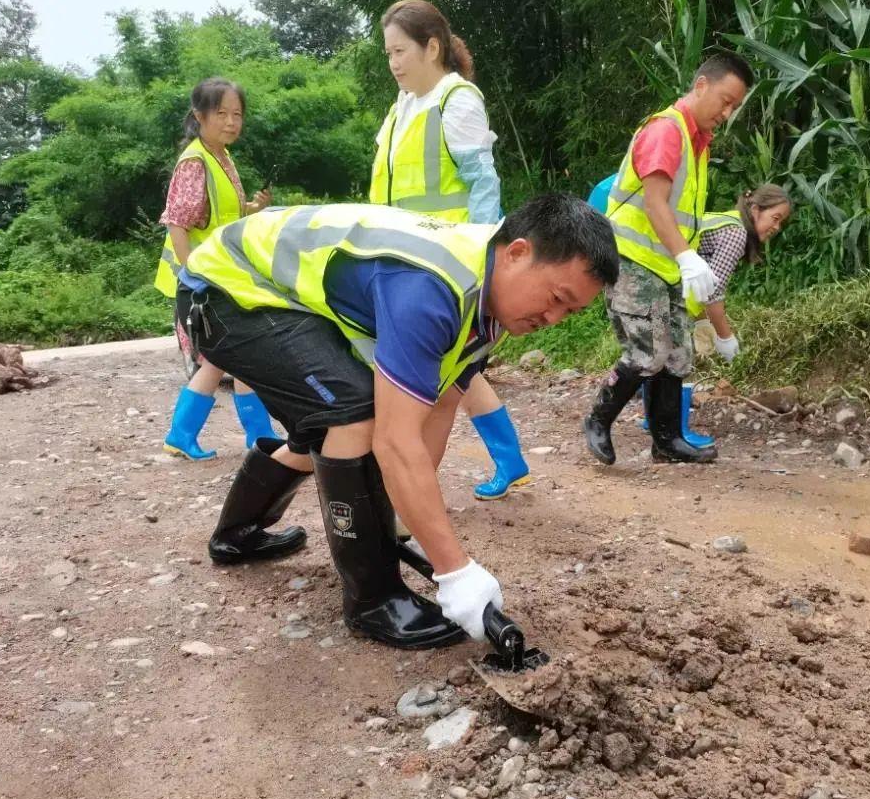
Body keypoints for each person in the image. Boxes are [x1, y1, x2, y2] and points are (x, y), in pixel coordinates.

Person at [182, 196, 618, 648]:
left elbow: (440, 406)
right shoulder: (431, 289)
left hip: (277, 299)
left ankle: (238, 533)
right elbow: (395, 441)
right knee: (355, 414)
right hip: (224, 289)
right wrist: (454, 570)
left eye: (570, 313)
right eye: (556, 299)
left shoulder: (489, 306)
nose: (553, 318)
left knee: (341, 428)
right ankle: (373, 601)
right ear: (517, 252)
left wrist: (400, 515)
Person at [370, 0, 528, 501]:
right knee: (454, 372)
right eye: (387, 53)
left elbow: (484, 184)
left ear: (431, 46)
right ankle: (507, 459)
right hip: (403, 260)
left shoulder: (455, 99)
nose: (393, 62)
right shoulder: (402, 107)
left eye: (400, 51)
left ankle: (406, 501)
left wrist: (484, 259)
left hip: (446, 267)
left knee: (445, 379)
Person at [583, 53, 753, 466]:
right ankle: (597, 419)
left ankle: (667, 440)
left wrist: (683, 261)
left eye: (734, 107)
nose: (727, 113)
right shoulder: (666, 132)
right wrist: (689, 259)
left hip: (668, 266)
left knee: (677, 353)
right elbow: (656, 204)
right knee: (645, 354)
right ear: (700, 86)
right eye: (725, 100)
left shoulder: (699, 144)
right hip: (634, 261)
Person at [155, 77, 278, 461]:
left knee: (233, 354)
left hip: (219, 276)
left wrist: (253, 209)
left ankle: (252, 435)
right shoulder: (196, 160)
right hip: (201, 280)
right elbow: (178, 221)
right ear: (199, 115)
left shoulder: (221, 156)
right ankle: (235, 435)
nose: (230, 121)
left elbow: (220, 215)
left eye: (237, 114)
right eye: (221, 113)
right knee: (230, 354)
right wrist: (192, 275)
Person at [638, 185, 793, 444]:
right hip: (659, 287)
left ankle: (654, 420)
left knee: (659, 357)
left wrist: (700, 322)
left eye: (781, 222)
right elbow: (713, 292)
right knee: (675, 360)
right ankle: (671, 430)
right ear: (755, 210)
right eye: (775, 218)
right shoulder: (736, 233)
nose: (776, 227)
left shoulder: (727, 221)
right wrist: (725, 338)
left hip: (656, 283)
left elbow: (702, 275)